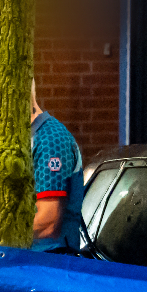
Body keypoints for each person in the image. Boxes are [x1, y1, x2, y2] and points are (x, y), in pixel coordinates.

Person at [30, 82, 83, 251]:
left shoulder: (50, 139)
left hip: (51, 263)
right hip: (28, 262)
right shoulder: (26, 135)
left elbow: (48, 222)